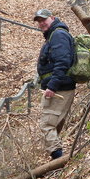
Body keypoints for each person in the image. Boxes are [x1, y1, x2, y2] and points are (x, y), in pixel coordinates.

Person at [33, 9, 76, 161]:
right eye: (38, 21)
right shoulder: (54, 34)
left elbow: (63, 62)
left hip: (59, 88)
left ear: (52, 18)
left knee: (46, 124)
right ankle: (57, 159)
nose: (41, 23)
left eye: (44, 19)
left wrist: (52, 86)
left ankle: (59, 162)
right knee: (54, 125)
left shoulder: (58, 35)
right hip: (61, 87)